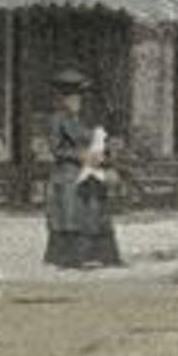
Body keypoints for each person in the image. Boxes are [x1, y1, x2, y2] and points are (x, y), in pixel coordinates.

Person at [42, 69, 121, 270]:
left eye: (78, 97)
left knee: (97, 213)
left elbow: (93, 138)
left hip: (90, 171)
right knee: (72, 215)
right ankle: (69, 258)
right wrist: (81, 155)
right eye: (71, 97)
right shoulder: (57, 120)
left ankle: (103, 255)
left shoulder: (81, 120)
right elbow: (57, 149)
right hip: (68, 173)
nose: (76, 101)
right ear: (62, 99)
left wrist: (105, 150)